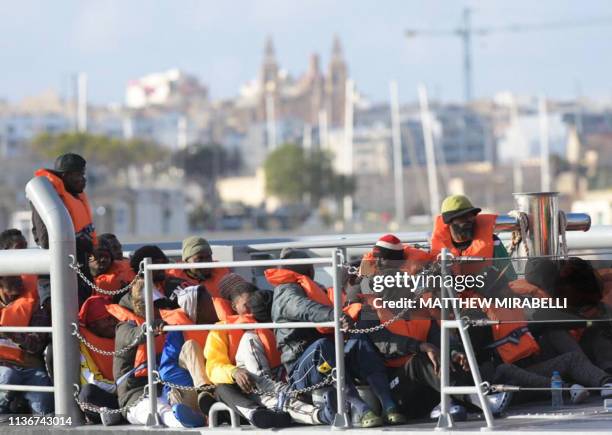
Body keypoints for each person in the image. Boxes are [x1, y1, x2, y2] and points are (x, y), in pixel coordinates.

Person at [268, 248, 405, 427]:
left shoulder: (310, 289)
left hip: (328, 356)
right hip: (302, 370)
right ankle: (362, 408)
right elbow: (305, 309)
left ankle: (388, 405)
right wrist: (337, 315)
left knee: (359, 341)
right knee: (323, 347)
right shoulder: (286, 292)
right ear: (308, 270)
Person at [206, 278, 330, 428]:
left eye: (255, 304)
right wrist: (235, 372)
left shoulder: (272, 322)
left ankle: (275, 414)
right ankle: (257, 414)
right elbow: (213, 367)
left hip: (279, 383)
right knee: (222, 389)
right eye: (247, 305)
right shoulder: (222, 330)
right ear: (234, 306)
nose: (252, 309)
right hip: (246, 387)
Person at [109, 278, 206, 428]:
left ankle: (198, 413)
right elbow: (132, 335)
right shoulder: (124, 327)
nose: (158, 309)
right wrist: (148, 328)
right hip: (135, 396)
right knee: (157, 412)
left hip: (164, 389)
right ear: (141, 306)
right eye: (154, 305)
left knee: (174, 402)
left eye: (159, 304)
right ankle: (181, 422)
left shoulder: (165, 324)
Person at [158, 282, 229, 425]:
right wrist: (200, 383)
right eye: (208, 303)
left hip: (221, 390)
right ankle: (203, 395)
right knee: (191, 346)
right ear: (198, 310)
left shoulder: (222, 327)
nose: (213, 306)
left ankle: (209, 410)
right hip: (187, 391)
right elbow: (167, 373)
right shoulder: (178, 333)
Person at [32, 153, 96, 306]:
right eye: (79, 174)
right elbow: (46, 240)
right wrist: (80, 240)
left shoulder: (73, 196)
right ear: (66, 176)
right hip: (57, 277)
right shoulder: (49, 198)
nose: (83, 179)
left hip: (79, 271)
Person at [429, 195, 515, 282]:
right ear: (449, 221)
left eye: (471, 215)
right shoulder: (439, 251)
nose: (469, 220)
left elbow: (511, 278)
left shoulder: (494, 243)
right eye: (462, 217)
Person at [0, 275, 53, 415]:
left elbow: (36, 345)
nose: (19, 280)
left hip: (31, 367)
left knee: (43, 407)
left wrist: (12, 334)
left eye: (20, 276)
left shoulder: (34, 305)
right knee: (7, 377)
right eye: (12, 277)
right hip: (3, 367)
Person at [76, 295, 120, 424]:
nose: (113, 322)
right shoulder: (83, 343)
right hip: (110, 393)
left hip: (129, 392)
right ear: (93, 325)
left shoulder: (123, 333)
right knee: (87, 394)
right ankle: (118, 414)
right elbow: (93, 381)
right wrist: (122, 388)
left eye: (113, 318)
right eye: (106, 319)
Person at [167, 237, 232, 318]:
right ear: (186, 262)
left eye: (208, 257)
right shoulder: (173, 277)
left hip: (222, 324)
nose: (206, 262)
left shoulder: (221, 271)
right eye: (199, 259)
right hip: (191, 326)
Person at [359, 234, 432, 278]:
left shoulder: (418, 267)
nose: (378, 261)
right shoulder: (372, 263)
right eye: (376, 257)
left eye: (383, 258)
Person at [90, 238, 135, 302]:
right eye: (99, 256)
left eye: (106, 256)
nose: (103, 260)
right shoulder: (76, 276)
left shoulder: (117, 277)